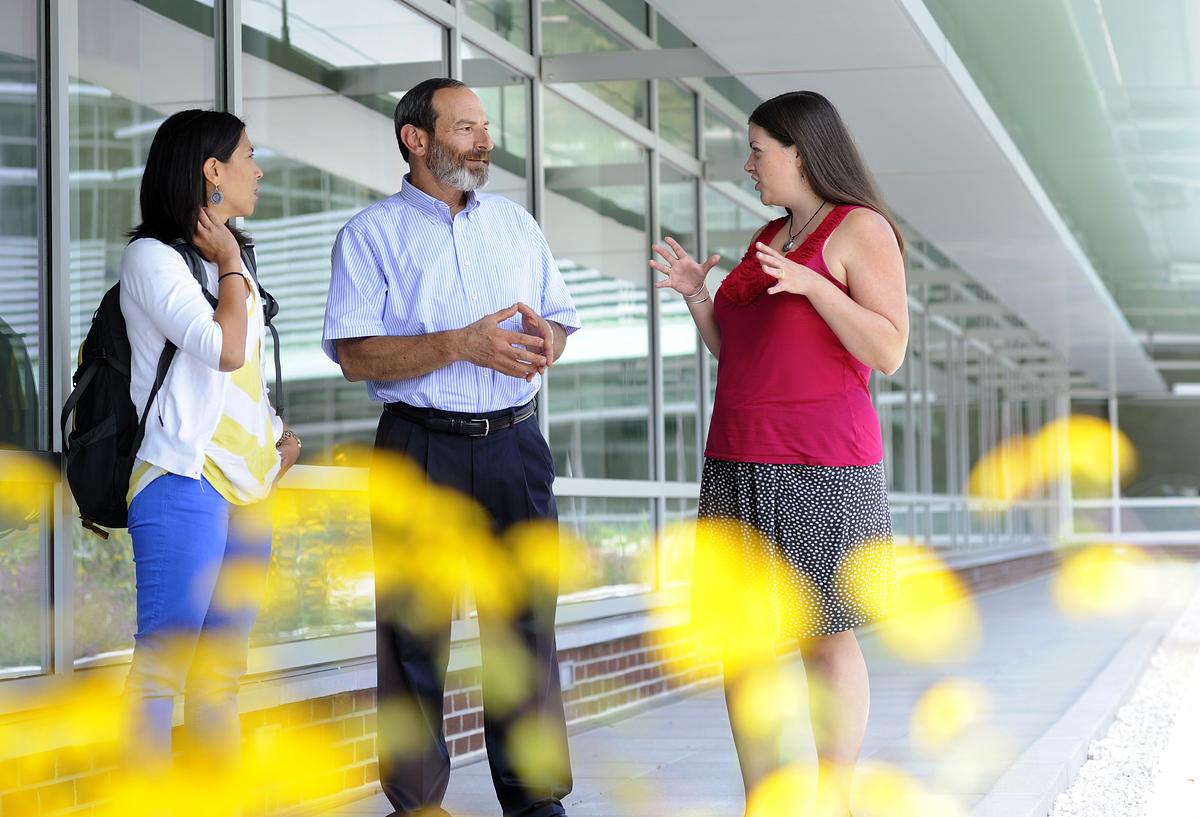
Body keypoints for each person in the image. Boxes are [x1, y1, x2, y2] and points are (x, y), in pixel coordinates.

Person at [322, 78, 580, 817]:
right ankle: (416, 802)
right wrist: (462, 344)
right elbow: (356, 355)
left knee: (525, 625)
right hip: (418, 449)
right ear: (417, 138)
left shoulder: (517, 225)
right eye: (466, 127)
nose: (482, 140)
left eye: (484, 127)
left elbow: (559, 320)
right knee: (413, 633)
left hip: (516, 445)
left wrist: (544, 344)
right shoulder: (369, 234)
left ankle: (535, 801)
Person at [650, 90, 908, 817]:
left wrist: (816, 288)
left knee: (822, 637)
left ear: (802, 151)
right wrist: (700, 297)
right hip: (736, 458)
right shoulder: (773, 233)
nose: (750, 162)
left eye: (759, 148)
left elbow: (888, 349)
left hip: (821, 464)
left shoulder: (860, 230)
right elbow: (742, 353)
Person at [119, 109, 301, 768]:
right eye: (248, 156)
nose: (258, 169)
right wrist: (228, 260)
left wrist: (276, 438)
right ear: (212, 171)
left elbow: (242, 377)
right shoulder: (151, 259)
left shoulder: (236, 261)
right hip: (183, 483)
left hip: (250, 489)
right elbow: (221, 348)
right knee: (163, 671)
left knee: (219, 677)